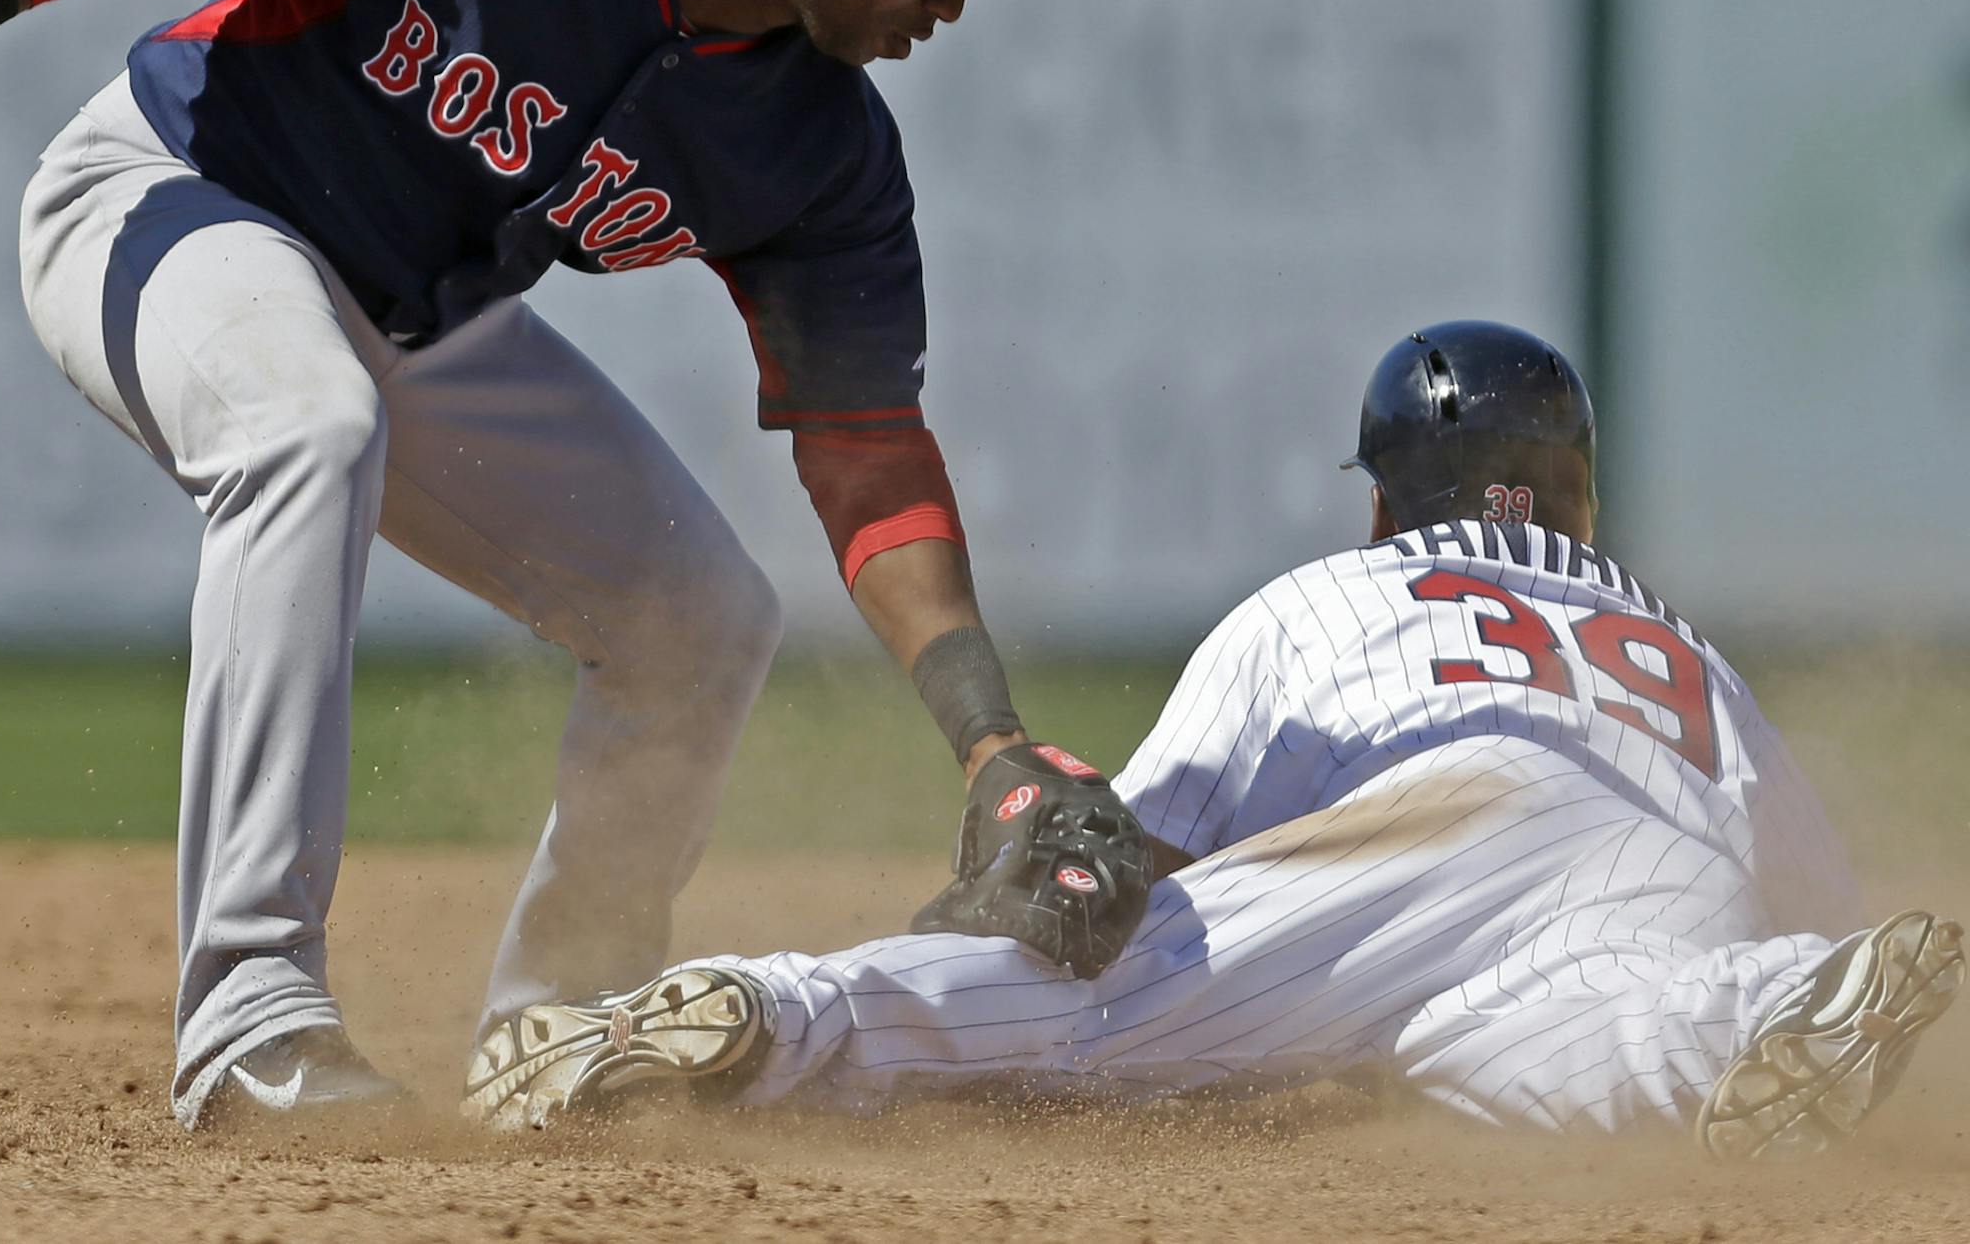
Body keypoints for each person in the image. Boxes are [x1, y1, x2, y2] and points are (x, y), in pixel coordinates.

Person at [0, 0, 1150, 1128]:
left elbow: (867, 451)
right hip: (174, 190)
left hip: (413, 326)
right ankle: (249, 1009)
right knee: (304, 428)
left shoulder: (822, 151)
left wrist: (988, 740)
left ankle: (561, 1033)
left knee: (698, 619)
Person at [478, 321, 1965, 1160]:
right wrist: (1801, 952)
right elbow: (1800, 878)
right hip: (1667, 883)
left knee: (1087, 1003)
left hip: (1446, 821)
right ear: (1575, 499)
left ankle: (758, 1011)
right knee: (1607, 1039)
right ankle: (1771, 1011)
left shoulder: (1340, 590)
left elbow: (1111, 883)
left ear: (1386, 501)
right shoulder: (1683, 647)